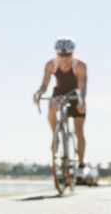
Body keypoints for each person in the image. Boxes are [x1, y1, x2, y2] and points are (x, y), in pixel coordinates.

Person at [33, 39, 88, 171]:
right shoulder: (51, 65)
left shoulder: (80, 66)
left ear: (72, 54)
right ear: (56, 54)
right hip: (60, 93)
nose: (64, 58)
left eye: (67, 55)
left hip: (76, 94)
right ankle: (55, 134)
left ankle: (80, 163)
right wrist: (39, 92)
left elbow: (82, 86)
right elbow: (45, 85)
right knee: (52, 105)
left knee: (79, 130)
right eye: (61, 55)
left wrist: (81, 101)